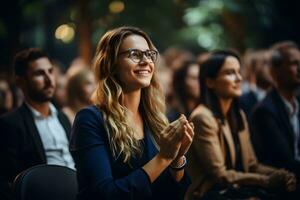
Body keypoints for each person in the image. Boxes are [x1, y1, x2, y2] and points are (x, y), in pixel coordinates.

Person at [70, 26, 194, 200]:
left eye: (149, 54)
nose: (146, 61)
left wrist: (177, 158)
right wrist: (163, 157)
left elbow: (174, 193)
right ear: (111, 64)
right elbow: (104, 195)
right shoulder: (90, 120)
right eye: (135, 54)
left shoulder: (155, 119)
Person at [186, 50, 296, 200]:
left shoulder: (239, 115)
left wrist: (281, 174)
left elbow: (252, 165)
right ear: (209, 82)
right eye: (230, 73)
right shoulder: (202, 118)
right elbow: (220, 175)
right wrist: (267, 181)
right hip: (211, 195)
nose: (239, 78)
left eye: (239, 72)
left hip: (238, 192)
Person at [0, 48, 74, 200]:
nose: (49, 80)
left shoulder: (63, 118)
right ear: (20, 81)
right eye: (39, 73)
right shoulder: (10, 124)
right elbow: (7, 182)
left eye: (50, 71)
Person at [251, 41, 300, 181]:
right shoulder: (264, 111)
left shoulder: (296, 103)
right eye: (294, 63)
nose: (299, 68)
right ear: (276, 70)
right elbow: (285, 161)